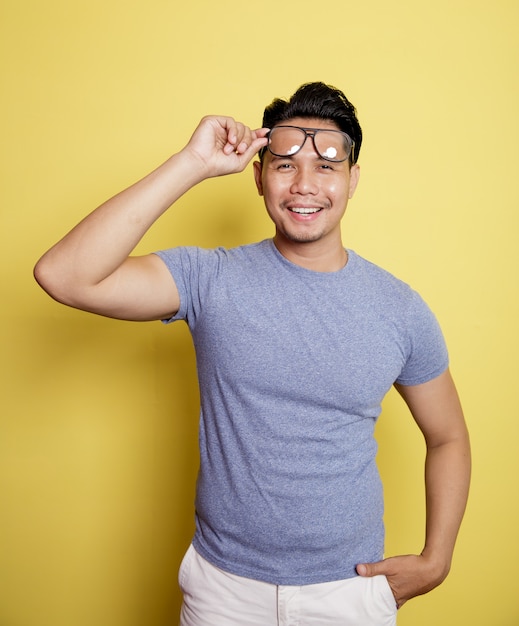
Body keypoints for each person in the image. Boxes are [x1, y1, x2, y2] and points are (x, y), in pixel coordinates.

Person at [34, 82, 471, 626]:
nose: (305, 185)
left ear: (353, 180)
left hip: (347, 590)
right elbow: (65, 275)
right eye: (285, 165)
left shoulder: (399, 309)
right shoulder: (209, 277)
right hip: (223, 590)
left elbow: (448, 436)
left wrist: (438, 559)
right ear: (258, 175)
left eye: (327, 167)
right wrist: (192, 162)